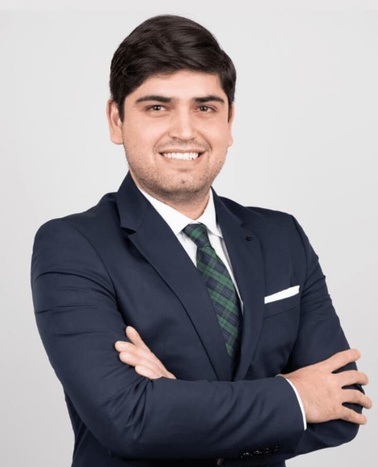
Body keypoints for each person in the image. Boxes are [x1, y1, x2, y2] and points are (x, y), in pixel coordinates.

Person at [31, 14, 372, 467]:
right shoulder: (71, 245)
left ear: (229, 121)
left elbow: (343, 406)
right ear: (116, 120)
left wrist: (175, 401)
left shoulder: (281, 236)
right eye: (157, 107)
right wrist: (295, 398)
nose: (185, 131)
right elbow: (130, 422)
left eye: (205, 107)